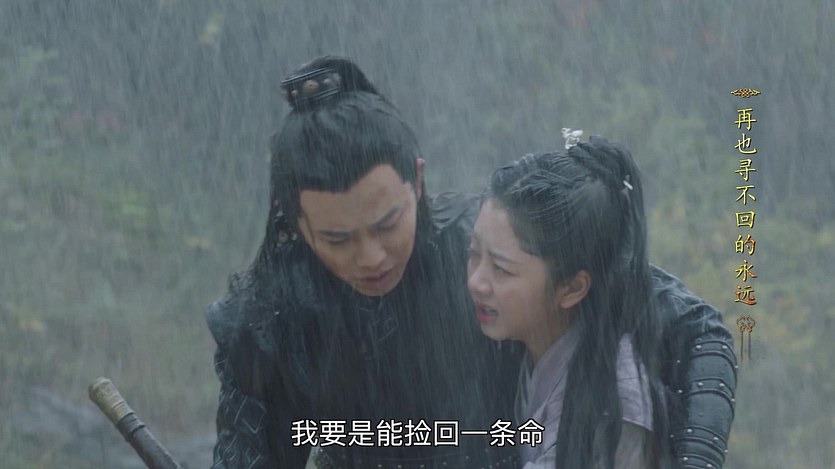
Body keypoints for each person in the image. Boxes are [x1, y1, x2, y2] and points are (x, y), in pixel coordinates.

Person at [205, 56, 737, 468]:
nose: (370, 257)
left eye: (387, 224)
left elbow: (697, 328)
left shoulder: (478, 248)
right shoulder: (267, 322)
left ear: (417, 181)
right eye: (337, 239)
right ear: (294, 222)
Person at [467, 138, 669, 468]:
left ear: (572, 288)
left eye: (501, 269)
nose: (476, 282)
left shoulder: (611, 408)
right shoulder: (525, 343)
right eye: (473, 254)